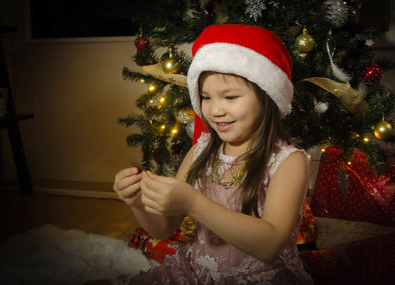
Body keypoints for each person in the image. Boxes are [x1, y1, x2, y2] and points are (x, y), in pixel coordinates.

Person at [113, 24, 313, 284]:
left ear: (267, 98)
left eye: (230, 97)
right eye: (206, 97)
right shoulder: (201, 150)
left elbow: (270, 244)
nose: (215, 110)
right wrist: (137, 201)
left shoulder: (288, 161)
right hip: (196, 271)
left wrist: (194, 203)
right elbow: (163, 229)